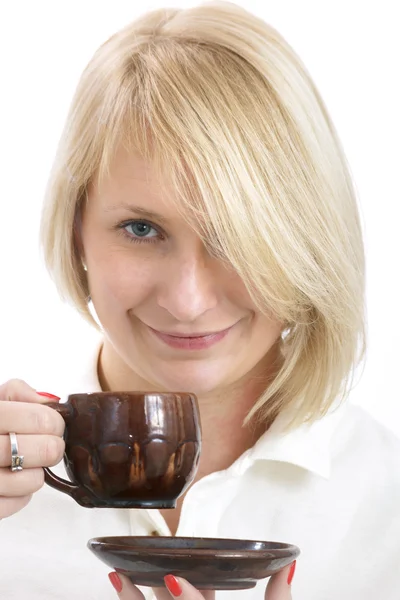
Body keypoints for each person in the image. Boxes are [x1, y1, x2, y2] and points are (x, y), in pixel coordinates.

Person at [0, 1, 399, 599]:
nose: (187, 301)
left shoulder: (385, 499)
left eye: (239, 236)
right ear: (76, 227)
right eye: (141, 228)